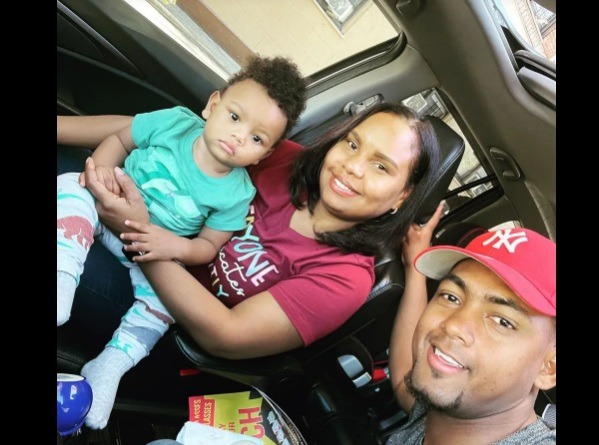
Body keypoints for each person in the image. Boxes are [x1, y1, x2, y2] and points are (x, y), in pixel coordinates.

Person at [57, 100, 441, 430]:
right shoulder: (285, 160)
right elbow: (160, 130)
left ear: (402, 196)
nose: (353, 166)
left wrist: (137, 232)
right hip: (140, 229)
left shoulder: (345, 278)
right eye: (352, 144)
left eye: (381, 167)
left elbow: (224, 334)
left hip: (160, 322)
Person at [57, 55, 307, 429]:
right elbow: (122, 138)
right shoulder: (175, 123)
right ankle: (63, 275)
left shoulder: (237, 194)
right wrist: (101, 171)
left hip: (145, 251)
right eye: (235, 117)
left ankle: (111, 364)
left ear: (266, 154)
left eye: (256, 138)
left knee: (164, 306)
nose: (239, 137)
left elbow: (207, 246)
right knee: (70, 186)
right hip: (102, 209)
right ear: (213, 105)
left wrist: (172, 247)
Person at [386, 222, 556, 444]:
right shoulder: (441, 407)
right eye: (451, 297)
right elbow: (403, 380)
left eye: (502, 322)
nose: (454, 325)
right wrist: (414, 271)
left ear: (549, 368)